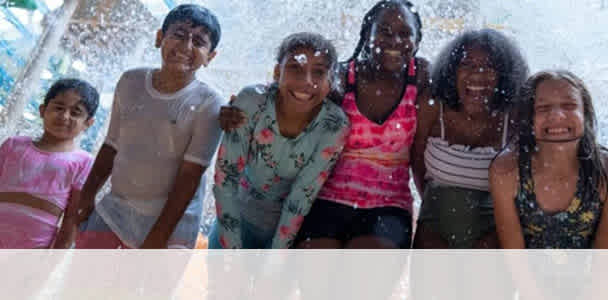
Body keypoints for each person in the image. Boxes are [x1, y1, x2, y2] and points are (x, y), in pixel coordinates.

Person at [222, 0, 430, 249]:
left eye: (405, 33)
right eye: (383, 31)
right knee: (316, 272)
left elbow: (440, 126)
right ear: (367, 33)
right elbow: (297, 93)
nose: (394, 41)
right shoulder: (342, 80)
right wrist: (243, 106)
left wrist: (432, 206)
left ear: (417, 41)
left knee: (367, 270)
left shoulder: (422, 77)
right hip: (327, 200)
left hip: (388, 206)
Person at [70, 4, 223, 249]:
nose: (186, 47)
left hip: (174, 224)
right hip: (115, 209)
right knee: (81, 281)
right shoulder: (131, 81)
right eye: (179, 35)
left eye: (199, 42)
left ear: (210, 56)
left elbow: (189, 177)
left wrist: (157, 239)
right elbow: (111, 145)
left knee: (147, 287)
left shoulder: (209, 103)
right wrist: (85, 197)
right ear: (159, 38)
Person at [210, 32, 349, 249]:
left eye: (319, 72)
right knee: (224, 280)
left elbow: (300, 198)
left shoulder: (332, 125)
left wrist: (274, 261)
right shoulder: (253, 102)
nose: (307, 81)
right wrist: (231, 255)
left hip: (288, 234)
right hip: (233, 221)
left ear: (330, 82)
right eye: (295, 68)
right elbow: (225, 180)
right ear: (277, 72)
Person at [412, 28, 529, 249]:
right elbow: (415, 159)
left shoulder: (514, 114)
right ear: (451, 71)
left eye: (490, 67)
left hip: (495, 224)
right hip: (436, 218)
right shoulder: (432, 105)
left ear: (504, 75)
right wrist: (434, 203)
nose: (477, 74)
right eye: (467, 65)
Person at [490, 70, 608, 249]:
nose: (557, 115)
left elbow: (605, 263)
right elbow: (515, 258)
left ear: (585, 114)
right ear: (529, 118)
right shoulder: (506, 171)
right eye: (543, 108)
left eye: (569, 106)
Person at [0, 78, 98, 249]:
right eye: (59, 108)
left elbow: (72, 218)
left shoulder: (84, 162)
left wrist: (49, 263)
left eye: (75, 112)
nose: (65, 116)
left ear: (88, 123)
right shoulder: (13, 145)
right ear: (43, 110)